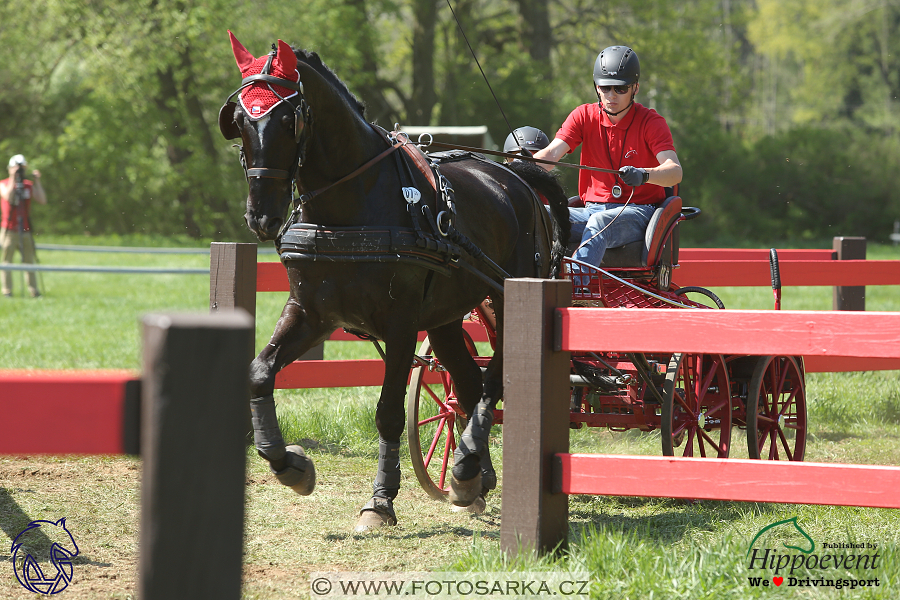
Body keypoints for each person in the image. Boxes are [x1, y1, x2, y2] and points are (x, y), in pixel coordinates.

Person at [533, 45, 682, 269]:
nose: (611, 95)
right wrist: (516, 170)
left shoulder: (651, 122)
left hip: (638, 212)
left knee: (599, 222)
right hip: (591, 209)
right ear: (596, 87)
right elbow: (551, 154)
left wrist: (644, 175)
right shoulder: (583, 115)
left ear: (635, 88)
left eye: (620, 89)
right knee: (533, 211)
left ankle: (575, 291)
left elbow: (674, 171)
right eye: (605, 88)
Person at [1, 155, 47, 297]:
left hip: (25, 229)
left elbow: (42, 200)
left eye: (21, 168)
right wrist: (13, 179)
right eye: (16, 168)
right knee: (6, 262)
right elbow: (8, 196)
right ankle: (7, 291)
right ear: (9, 169)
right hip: (9, 229)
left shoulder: (28, 185)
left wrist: (37, 181)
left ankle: (34, 291)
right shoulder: (3, 183)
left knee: (29, 261)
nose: (19, 171)